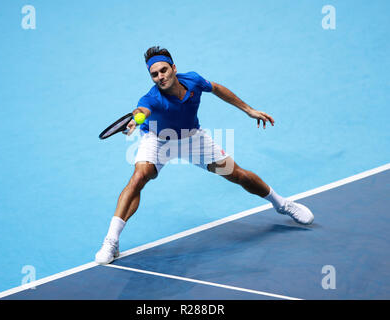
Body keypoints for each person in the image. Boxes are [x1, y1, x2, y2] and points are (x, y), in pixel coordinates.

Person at [95, 46, 314, 265]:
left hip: (192, 139)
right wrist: (136, 120)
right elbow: (141, 111)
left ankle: (282, 204)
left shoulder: (193, 80)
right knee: (139, 177)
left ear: (173, 68)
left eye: (164, 70)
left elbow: (217, 88)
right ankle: (111, 241)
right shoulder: (151, 98)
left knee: (237, 175)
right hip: (158, 140)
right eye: (154, 74)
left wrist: (249, 110)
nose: (160, 77)